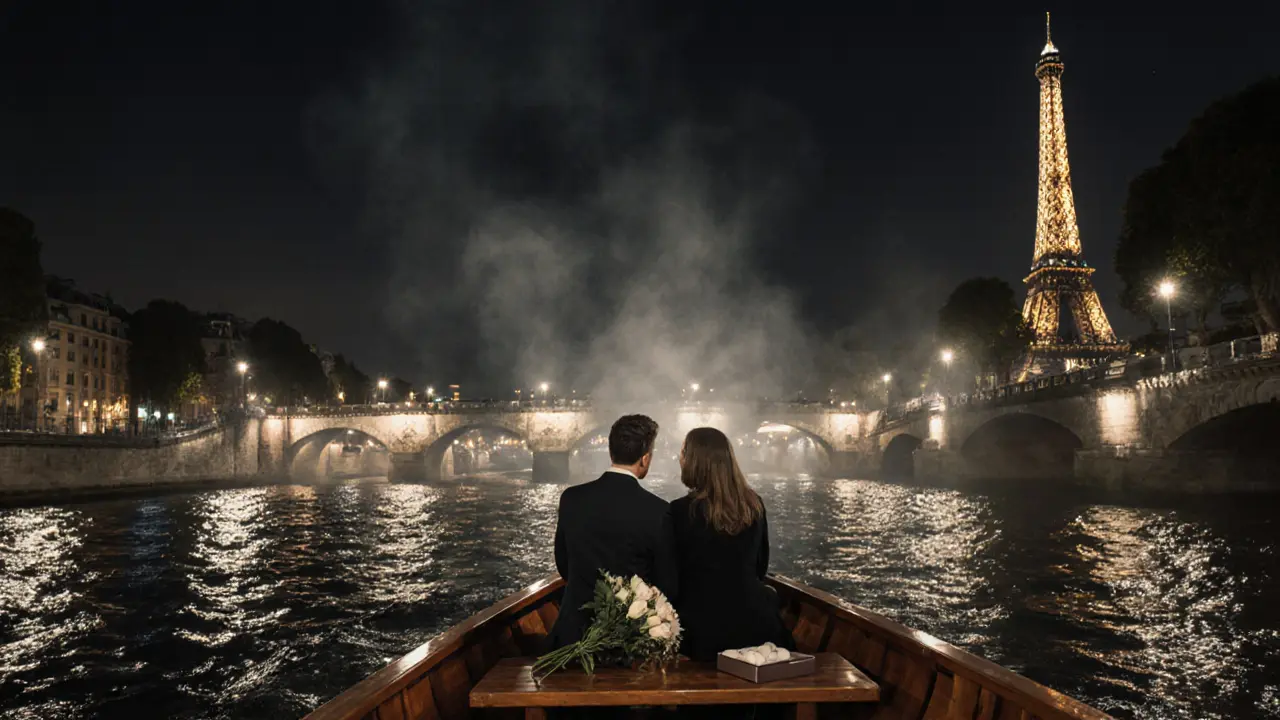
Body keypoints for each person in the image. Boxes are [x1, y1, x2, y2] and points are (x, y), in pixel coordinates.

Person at [549, 414, 678, 649]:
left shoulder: (571, 499)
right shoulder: (659, 511)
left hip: (572, 637)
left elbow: (564, 564)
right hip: (631, 640)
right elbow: (665, 581)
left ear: (611, 453)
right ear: (645, 459)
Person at [671, 427, 793, 662]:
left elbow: (673, 576)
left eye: (684, 452)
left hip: (703, 632)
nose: (679, 457)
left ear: (694, 461)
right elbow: (760, 566)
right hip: (759, 626)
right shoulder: (754, 505)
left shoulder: (679, 511)